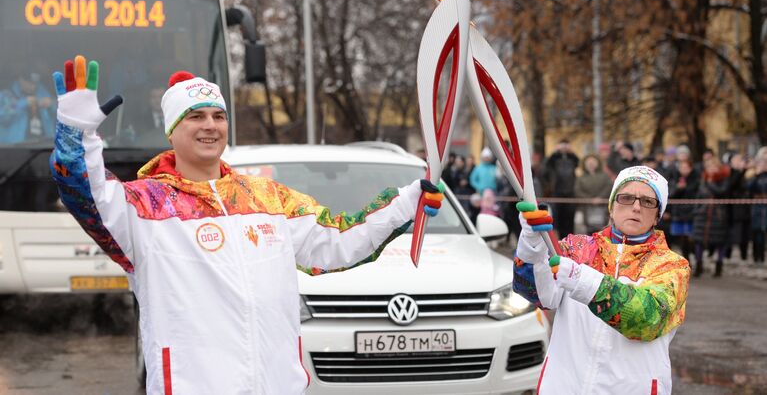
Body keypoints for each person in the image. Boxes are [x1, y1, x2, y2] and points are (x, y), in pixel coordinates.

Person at [49, 57, 444, 394]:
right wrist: (78, 133)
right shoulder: (145, 206)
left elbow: (338, 242)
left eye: (218, 116)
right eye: (196, 117)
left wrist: (408, 201)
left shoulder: (266, 199)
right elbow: (85, 193)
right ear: (173, 130)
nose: (211, 126)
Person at [512, 166, 690, 393]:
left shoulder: (671, 266)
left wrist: (581, 280)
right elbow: (535, 293)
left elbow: (647, 319)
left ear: (657, 215)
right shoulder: (578, 248)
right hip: (565, 386)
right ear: (612, 207)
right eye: (626, 198)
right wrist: (532, 245)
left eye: (647, 202)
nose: (636, 207)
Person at [692, 155, 731, 277]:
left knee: (719, 241)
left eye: (713, 166)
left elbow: (721, 192)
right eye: (708, 167)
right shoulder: (703, 179)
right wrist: (696, 210)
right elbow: (699, 195)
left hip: (718, 215)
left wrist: (711, 183)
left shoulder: (724, 179)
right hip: (702, 214)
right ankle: (699, 266)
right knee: (698, 241)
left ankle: (719, 266)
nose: (711, 169)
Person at [0, 71, 56, 144]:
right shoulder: (6, 95)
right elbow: (3, 117)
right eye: (30, 83)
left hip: (44, 146)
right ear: (21, 80)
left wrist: (51, 105)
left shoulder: (43, 93)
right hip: (16, 148)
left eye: (35, 83)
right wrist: (24, 103)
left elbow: (61, 116)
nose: (33, 86)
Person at [543, 139, 579, 238]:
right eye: (561, 145)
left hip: (570, 192)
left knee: (569, 219)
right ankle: (559, 241)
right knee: (557, 219)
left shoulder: (571, 158)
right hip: (556, 192)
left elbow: (577, 162)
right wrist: (555, 152)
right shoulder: (554, 159)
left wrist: (571, 152)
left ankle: (570, 239)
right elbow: (547, 167)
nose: (564, 147)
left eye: (566, 145)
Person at [668, 159, 699, 261]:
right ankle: (687, 260)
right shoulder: (675, 178)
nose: (683, 170)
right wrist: (679, 188)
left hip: (692, 213)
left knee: (692, 238)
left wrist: (686, 188)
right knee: (681, 239)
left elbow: (696, 194)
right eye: (681, 168)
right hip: (678, 213)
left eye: (686, 168)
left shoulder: (696, 179)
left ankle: (696, 258)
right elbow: (671, 195)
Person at [574, 154, 612, 233]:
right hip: (585, 207)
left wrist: (600, 198)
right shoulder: (581, 178)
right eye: (588, 162)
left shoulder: (604, 176)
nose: (591, 164)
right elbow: (577, 190)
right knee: (586, 229)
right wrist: (589, 199)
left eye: (593, 162)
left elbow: (608, 187)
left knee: (603, 229)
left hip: (603, 207)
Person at [749, 156, 767, 264]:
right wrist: (756, 175)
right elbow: (750, 188)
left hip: (765, 207)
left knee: (763, 233)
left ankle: (763, 257)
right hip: (757, 207)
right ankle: (757, 257)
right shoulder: (754, 177)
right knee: (757, 232)